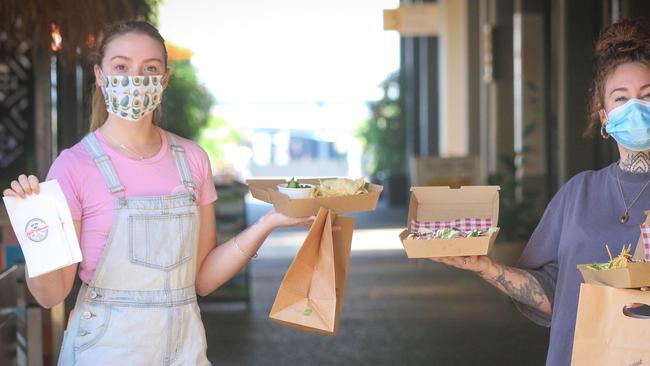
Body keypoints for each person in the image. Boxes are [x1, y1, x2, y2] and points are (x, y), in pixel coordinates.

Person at [2, 20, 313, 365]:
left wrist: (266, 224)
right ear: (100, 76)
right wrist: (37, 232)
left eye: (149, 69)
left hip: (185, 350)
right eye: (121, 66)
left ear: (164, 79)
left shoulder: (192, 160)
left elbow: (203, 279)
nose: (135, 79)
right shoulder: (73, 166)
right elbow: (51, 295)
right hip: (104, 350)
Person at [430, 17, 650, 366]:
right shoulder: (578, 193)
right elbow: (552, 294)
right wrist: (486, 268)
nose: (635, 108)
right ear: (605, 117)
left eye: (647, 96)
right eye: (621, 99)